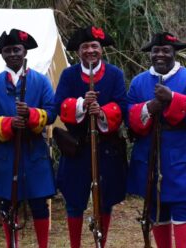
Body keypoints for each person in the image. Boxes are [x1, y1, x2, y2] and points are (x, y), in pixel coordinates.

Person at [126, 32, 186, 248]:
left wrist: (173, 98)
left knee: (184, 208)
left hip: (183, 154)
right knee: (156, 209)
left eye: (166, 50)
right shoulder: (138, 82)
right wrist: (148, 108)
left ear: (174, 52)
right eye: (156, 51)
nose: (160, 55)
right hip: (149, 155)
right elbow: (127, 113)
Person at [54, 26, 127, 248]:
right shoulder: (69, 75)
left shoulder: (115, 74)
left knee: (104, 201)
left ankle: (100, 244)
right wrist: (81, 105)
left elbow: (122, 105)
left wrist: (102, 112)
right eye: (85, 47)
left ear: (101, 49)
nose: (90, 50)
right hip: (77, 147)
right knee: (74, 201)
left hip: (107, 148)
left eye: (94, 46)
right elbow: (58, 105)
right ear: (78, 51)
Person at [0, 29, 56, 248]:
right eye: (8, 50)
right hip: (7, 152)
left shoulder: (41, 81)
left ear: (25, 52)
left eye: (17, 49)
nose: (13, 54)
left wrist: (32, 115)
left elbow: (51, 111)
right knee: (7, 204)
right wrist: (8, 123)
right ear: (2, 55)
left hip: (34, 151)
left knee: (39, 205)